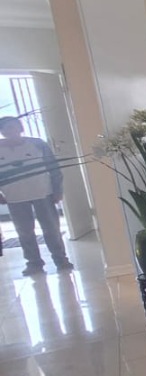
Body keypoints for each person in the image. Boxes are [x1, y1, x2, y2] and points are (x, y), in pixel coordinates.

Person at [0, 115, 73, 275]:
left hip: (43, 193)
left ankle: (61, 259)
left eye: (12, 126)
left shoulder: (37, 144)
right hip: (14, 197)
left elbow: (53, 167)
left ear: (20, 128)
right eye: (5, 128)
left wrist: (57, 190)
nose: (9, 130)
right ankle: (34, 263)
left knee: (51, 229)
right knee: (24, 231)